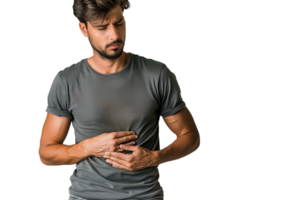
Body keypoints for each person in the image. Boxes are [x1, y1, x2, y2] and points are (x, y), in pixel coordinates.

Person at [45, 0, 186, 199]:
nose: (114, 35)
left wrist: (155, 157)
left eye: (119, 23)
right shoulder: (66, 80)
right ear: (83, 29)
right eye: (102, 27)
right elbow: (46, 153)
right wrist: (87, 147)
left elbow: (189, 135)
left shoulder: (156, 74)